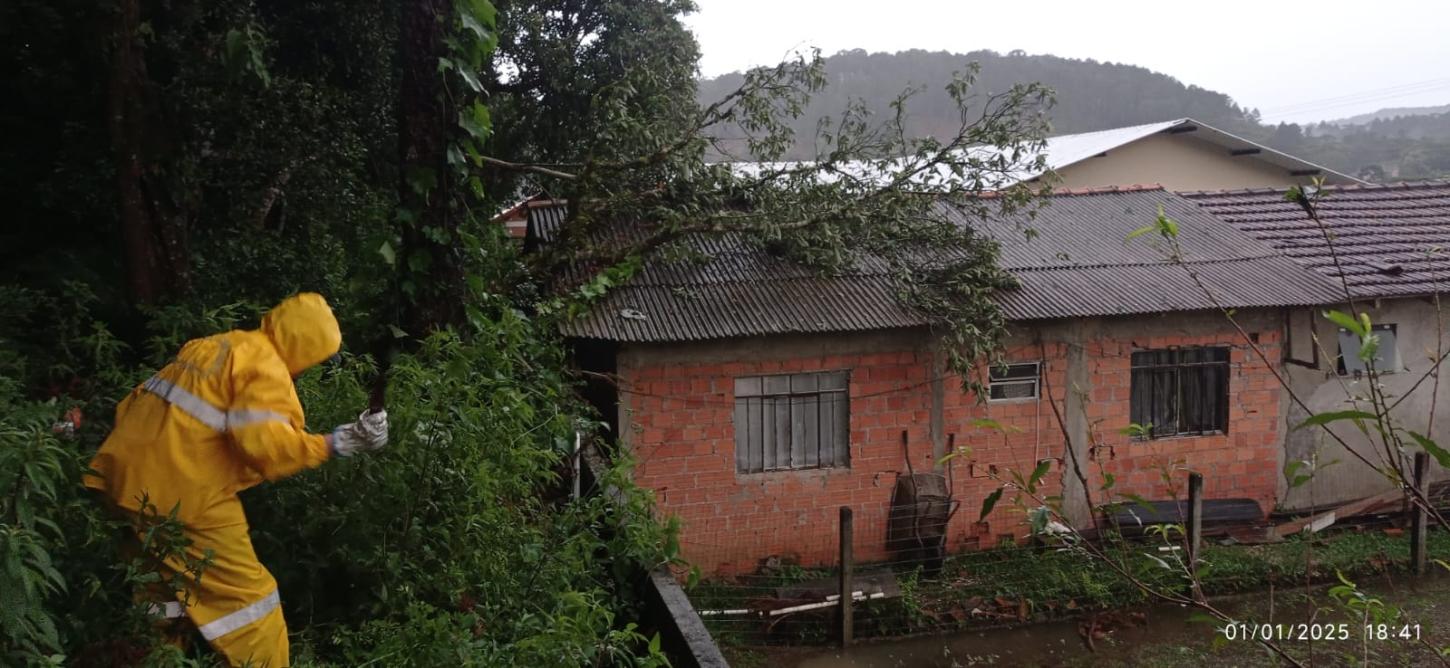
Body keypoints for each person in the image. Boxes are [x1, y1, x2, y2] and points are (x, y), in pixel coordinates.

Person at [86, 293, 388, 667]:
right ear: (305, 349)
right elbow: (265, 446)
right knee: (253, 608)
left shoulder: (215, 346)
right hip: (183, 499)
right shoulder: (264, 367)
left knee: (159, 596)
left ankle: (152, 658)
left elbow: (136, 403)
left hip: (123, 483)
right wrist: (339, 442)